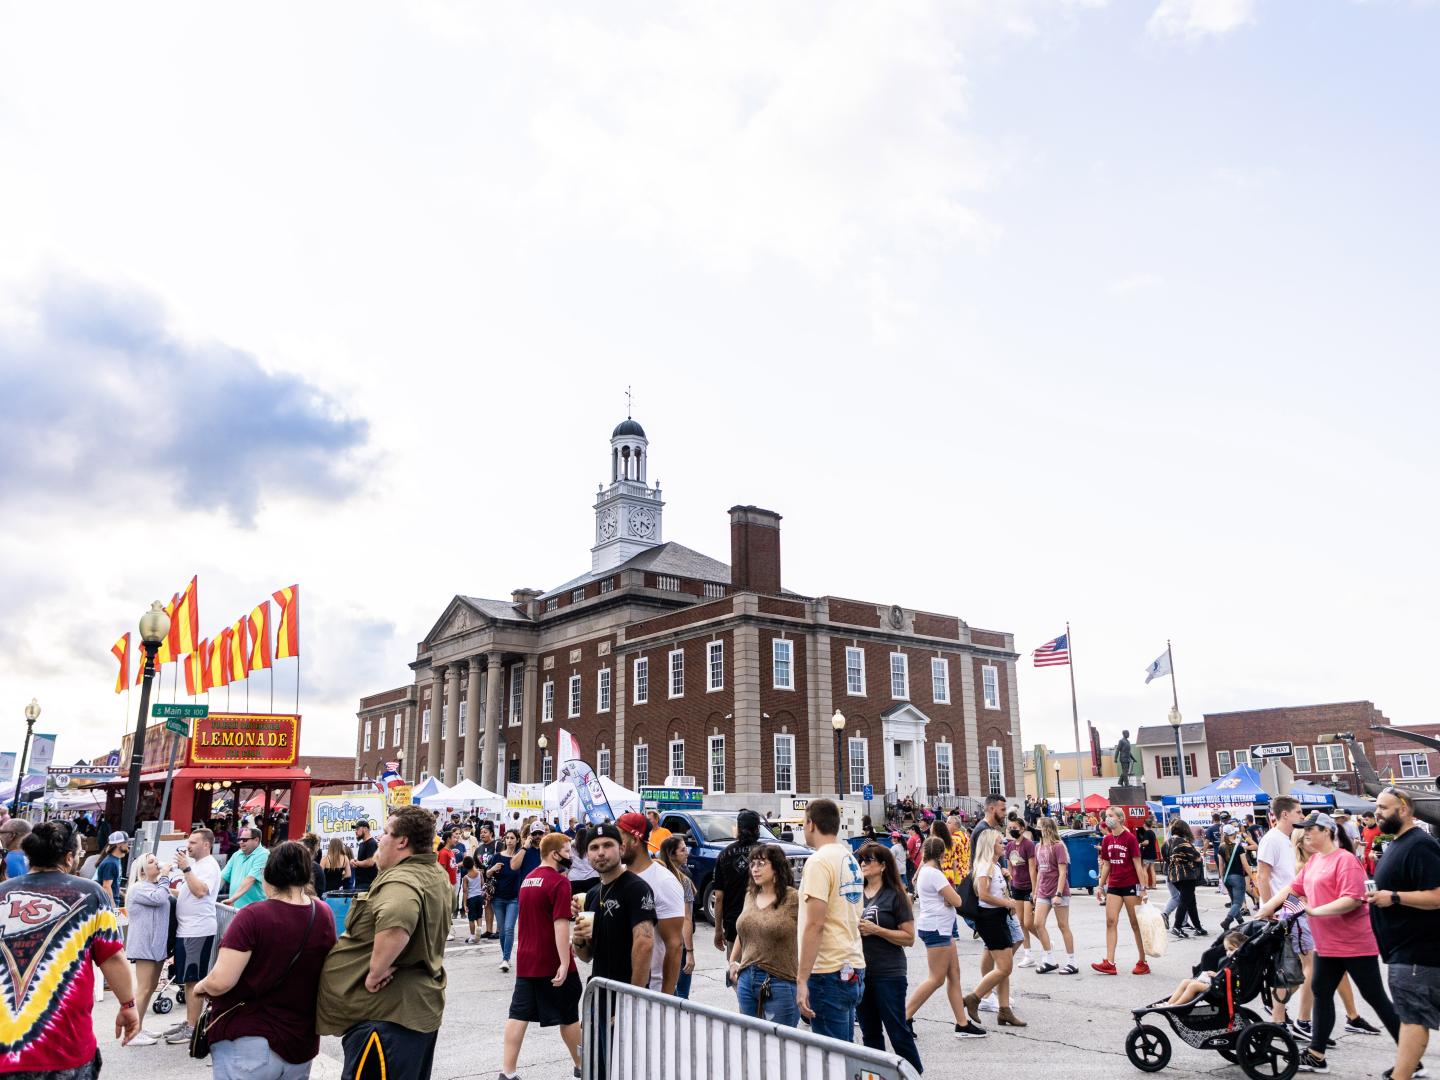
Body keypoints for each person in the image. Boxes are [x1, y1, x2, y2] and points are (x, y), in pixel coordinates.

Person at [1257, 811, 1399, 1073]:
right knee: (1322, 993)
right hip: (1327, 944)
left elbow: (1353, 898)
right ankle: (1316, 1055)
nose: (1306, 833)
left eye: (1311, 829)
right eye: (1304, 829)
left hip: (1353, 943)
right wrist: (1268, 908)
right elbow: (1293, 889)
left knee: (1375, 997)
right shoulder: (1315, 862)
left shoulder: (1344, 861)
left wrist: (1315, 910)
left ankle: (1411, 1057)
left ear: (1327, 831)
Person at [317, 805, 452, 1080]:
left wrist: (375, 972)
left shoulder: (402, 882)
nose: (380, 839)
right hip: (405, 1014)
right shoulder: (432, 872)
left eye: (387, 833)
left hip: (387, 1019)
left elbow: (399, 916)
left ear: (403, 841)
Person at [0, 821, 140, 1073]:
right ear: (68, 857)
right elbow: (113, 958)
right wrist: (128, 1005)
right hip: (65, 1046)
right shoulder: (90, 894)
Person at [192, 841, 339, 1079]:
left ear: (267, 874)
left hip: (250, 1036)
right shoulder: (322, 913)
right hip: (301, 1040)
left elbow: (221, 981)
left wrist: (200, 987)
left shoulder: (253, 916)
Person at [1365, 787, 1440, 1080]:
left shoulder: (1420, 845)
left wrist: (1393, 897)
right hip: (1404, 952)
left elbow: (1437, 896)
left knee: (1412, 1020)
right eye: (1377, 807)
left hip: (1417, 953)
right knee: (1411, 1018)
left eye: (1384, 807)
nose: (1377, 813)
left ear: (1405, 810)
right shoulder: (1397, 843)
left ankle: (1401, 1076)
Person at [501, 833, 582, 1080]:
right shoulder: (559, 882)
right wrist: (565, 961)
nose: (570, 857)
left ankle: (507, 1072)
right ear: (555, 853)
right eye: (567, 852)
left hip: (526, 959)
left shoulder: (529, 879)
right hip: (551, 961)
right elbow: (560, 924)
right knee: (569, 1016)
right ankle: (583, 1065)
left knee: (518, 1015)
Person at [796, 798, 866, 1041]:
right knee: (845, 1051)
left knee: (831, 1057)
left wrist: (802, 978)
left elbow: (815, 923)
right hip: (851, 962)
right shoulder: (849, 858)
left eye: (804, 823)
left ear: (811, 823)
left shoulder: (818, 861)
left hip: (827, 969)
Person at [905, 836, 985, 1038]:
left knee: (954, 975)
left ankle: (962, 1023)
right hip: (937, 928)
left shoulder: (925, 871)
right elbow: (957, 900)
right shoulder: (934, 874)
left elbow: (949, 900)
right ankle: (904, 1016)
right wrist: (950, 899)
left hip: (940, 928)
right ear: (942, 854)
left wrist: (948, 899)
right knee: (936, 979)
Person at [855, 842, 923, 1072]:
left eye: (869, 860)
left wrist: (877, 930)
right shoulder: (855, 895)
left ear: (883, 866)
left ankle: (914, 1075)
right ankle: (876, 1076)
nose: (863, 864)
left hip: (889, 972)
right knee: (869, 1033)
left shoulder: (895, 895)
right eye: (861, 860)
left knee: (897, 1031)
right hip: (861, 972)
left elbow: (908, 937)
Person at [573, 822, 657, 987]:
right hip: (599, 994)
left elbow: (645, 943)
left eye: (608, 845)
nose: (601, 852)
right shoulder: (592, 894)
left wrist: (633, 999)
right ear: (587, 855)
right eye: (594, 847)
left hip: (626, 996)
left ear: (621, 849)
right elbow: (586, 956)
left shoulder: (637, 888)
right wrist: (579, 939)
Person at [727, 844, 801, 1025]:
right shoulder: (750, 895)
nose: (754, 869)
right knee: (751, 1040)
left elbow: (813, 932)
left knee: (781, 1044)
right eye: (752, 864)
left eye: (761, 863)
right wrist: (733, 962)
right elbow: (743, 931)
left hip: (780, 980)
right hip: (746, 977)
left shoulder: (793, 898)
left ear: (776, 867)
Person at [1257, 795, 1313, 1029]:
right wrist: (1268, 907)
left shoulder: (1289, 839)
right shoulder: (1272, 840)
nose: (1302, 815)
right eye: (1298, 812)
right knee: (1300, 967)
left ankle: (1279, 1010)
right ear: (1284, 814)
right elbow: (1263, 875)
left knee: (1295, 968)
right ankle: (1283, 1014)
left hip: (1295, 909)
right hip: (1285, 912)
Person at [164, 827, 224, 1045]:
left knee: (193, 979)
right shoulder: (197, 865)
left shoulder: (209, 865)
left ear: (206, 845)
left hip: (197, 929)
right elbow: (189, 892)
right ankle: (190, 1021)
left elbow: (200, 891)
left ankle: (192, 1028)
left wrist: (186, 869)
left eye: (193, 842)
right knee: (187, 979)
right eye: (188, 842)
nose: (188, 846)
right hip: (187, 928)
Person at [616, 812, 685, 994]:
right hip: (615, 984)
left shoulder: (664, 881)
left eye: (619, 838)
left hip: (651, 991)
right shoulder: (617, 876)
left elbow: (675, 945)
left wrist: (665, 999)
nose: (615, 844)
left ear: (635, 840)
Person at [964, 831, 1025, 1028]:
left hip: (998, 918)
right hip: (990, 919)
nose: (1003, 844)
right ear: (990, 845)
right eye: (1000, 842)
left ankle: (1004, 1010)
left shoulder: (995, 865)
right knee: (1005, 967)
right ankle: (975, 997)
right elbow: (983, 895)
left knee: (1003, 968)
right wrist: (1008, 902)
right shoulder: (985, 866)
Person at [1092, 807, 1149, 976]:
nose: (1107, 818)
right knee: (1110, 921)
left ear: (1120, 819)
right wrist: (1101, 886)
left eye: (1110, 816)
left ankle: (1143, 961)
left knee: (1135, 924)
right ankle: (1109, 962)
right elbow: (1107, 864)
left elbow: (1138, 865)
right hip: (1115, 885)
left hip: (1131, 884)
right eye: (1106, 816)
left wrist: (1143, 889)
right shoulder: (1107, 839)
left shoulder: (1130, 838)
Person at [124, 852, 173, 1044]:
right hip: (144, 945)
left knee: (151, 987)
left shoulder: (154, 886)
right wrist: (167, 877)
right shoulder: (138, 888)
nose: (157, 864)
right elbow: (159, 899)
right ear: (143, 870)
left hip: (157, 945)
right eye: (151, 862)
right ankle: (131, 1033)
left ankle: (139, 1027)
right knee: (144, 989)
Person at [712, 809, 764, 954]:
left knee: (735, 970)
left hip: (733, 923)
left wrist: (717, 930)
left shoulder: (724, 855)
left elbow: (719, 898)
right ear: (757, 829)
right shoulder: (767, 853)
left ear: (738, 829)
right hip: (762, 921)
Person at [1031, 815, 1076, 974]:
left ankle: (1072, 962)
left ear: (1047, 829)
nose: (1037, 829)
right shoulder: (1038, 847)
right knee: (1037, 923)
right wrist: (1035, 891)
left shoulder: (1058, 846)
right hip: (1043, 890)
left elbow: (1063, 872)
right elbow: (1039, 872)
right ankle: (1049, 958)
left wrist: (1058, 893)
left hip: (1058, 891)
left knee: (1063, 925)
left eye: (1039, 826)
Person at [658, 834, 698, 998]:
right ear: (671, 854)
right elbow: (686, 919)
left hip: (659, 944)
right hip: (677, 945)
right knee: (681, 996)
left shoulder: (656, 876)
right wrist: (689, 951)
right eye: (682, 850)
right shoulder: (683, 881)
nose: (687, 852)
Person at [1165, 931, 1249, 1006]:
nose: (1228, 953)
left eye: (1231, 949)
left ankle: (1176, 1005)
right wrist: (1215, 975)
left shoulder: (1240, 963)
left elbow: (1233, 980)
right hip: (1219, 985)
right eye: (1226, 950)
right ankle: (1169, 1003)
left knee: (1193, 985)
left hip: (1225, 991)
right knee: (1186, 981)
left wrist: (1216, 976)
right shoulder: (1231, 960)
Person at [487, 829, 526, 971]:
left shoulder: (520, 857)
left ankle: (506, 958)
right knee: (502, 930)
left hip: (514, 898)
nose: (509, 840)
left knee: (509, 928)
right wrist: (493, 869)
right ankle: (505, 955)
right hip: (498, 898)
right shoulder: (497, 856)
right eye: (507, 838)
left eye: (512, 838)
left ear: (517, 840)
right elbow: (487, 873)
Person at [1004, 817, 1038, 967]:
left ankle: (1045, 942)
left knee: (1029, 922)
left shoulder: (1028, 845)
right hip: (1016, 886)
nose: (1012, 830)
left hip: (1028, 886)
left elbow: (1032, 868)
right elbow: (1010, 866)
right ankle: (1028, 954)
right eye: (1010, 827)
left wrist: (1035, 889)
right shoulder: (1009, 846)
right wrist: (1009, 884)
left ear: (1022, 829)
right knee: (1021, 922)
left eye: (1015, 827)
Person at [1163, 820, 1206, 939]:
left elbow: (1165, 858)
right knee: (1185, 901)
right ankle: (1177, 927)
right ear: (1184, 830)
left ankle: (1198, 927)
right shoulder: (1184, 843)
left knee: (1190, 901)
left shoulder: (1166, 843)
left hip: (1173, 875)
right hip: (1187, 875)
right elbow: (1197, 858)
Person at [1219, 823, 1258, 931]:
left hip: (1227, 877)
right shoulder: (1239, 847)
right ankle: (1227, 921)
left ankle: (1241, 923)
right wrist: (1253, 878)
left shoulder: (1221, 847)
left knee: (1234, 903)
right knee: (1238, 903)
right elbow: (1245, 865)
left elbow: (1221, 865)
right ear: (1234, 833)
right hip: (1237, 877)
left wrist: (1222, 878)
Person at [220, 824, 270, 909]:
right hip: (234, 906)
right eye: (240, 839)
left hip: (255, 909)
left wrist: (232, 899)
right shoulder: (237, 854)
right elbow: (222, 876)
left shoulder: (264, 854)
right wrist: (210, 893)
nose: (241, 842)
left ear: (256, 840)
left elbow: (250, 879)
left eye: (245, 840)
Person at [95, 830, 129, 907]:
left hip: (113, 901)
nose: (128, 845)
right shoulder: (110, 863)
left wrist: (123, 895)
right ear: (118, 844)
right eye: (126, 842)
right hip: (108, 905)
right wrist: (112, 905)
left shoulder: (116, 860)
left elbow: (114, 884)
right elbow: (106, 886)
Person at [436, 831, 459, 938]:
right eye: (454, 837)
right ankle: (446, 931)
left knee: (449, 908)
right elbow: (442, 870)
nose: (456, 839)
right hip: (447, 884)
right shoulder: (443, 852)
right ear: (448, 839)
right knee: (446, 909)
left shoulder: (451, 852)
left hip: (453, 883)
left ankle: (448, 930)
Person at [461, 856, 487, 943]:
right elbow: (483, 885)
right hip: (479, 897)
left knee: (471, 918)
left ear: (465, 867)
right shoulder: (479, 873)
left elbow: (465, 891)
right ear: (473, 864)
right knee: (479, 916)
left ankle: (472, 936)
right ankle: (479, 929)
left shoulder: (466, 877)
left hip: (471, 899)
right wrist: (484, 898)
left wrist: (464, 904)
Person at [351, 819, 379, 891]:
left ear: (365, 829)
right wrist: (355, 861)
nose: (355, 831)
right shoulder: (362, 844)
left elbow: (370, 862)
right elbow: (362, 860)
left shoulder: (371, 843)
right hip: (360, 883)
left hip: (368, 884)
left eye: (357, 829)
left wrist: (356, 863)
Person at [1136, 814, 1160, 890]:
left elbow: (1146, 842)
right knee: (1152, 869)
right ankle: (1153, 885)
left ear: (1145, 825)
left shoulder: (1147, 833)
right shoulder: (1152, 832)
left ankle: (1146, 885)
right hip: (1153, 853)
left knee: (1144, 869)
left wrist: (1140, 844)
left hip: (1147, 853)